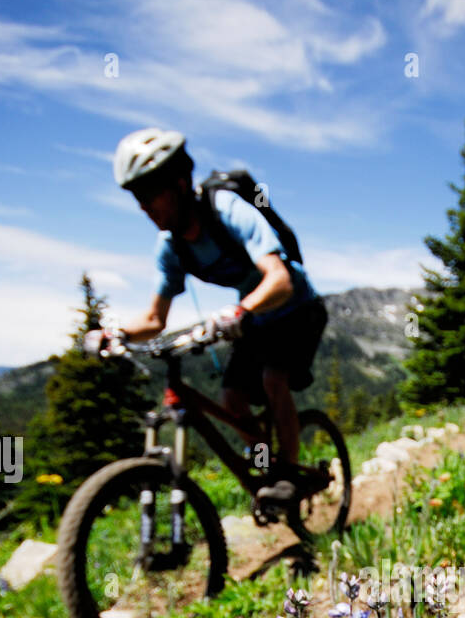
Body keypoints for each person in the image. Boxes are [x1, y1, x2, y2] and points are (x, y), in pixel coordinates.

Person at [88, 128, 327, 501]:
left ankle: (288, 477)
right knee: (231, 396)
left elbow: (279, 280)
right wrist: (114, 334)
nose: (143, 207)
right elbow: (154, 319)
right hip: (255, 318)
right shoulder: (171, 247)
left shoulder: (227, 210)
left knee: (273, 379)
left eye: (150, 193)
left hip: (297, 308)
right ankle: (264, 466)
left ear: (180, 183)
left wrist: (239, 310)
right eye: (137, 197)